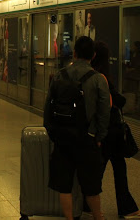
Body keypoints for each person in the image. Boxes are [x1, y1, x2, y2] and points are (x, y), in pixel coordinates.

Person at [43, 36, 111, 220]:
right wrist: (99, 137)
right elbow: (104, 113)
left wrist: (53, 132)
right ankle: (98, 217)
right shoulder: (98, 79)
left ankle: (69, 218)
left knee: (64, 185)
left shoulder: (59, 75)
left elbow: (48, 108)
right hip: (87, 139)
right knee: (91, 186)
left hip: (63, 137)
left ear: (74, 53)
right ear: (93, 55)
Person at [89, 41, 140, 219]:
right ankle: (125, 208)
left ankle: (88, 204)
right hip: (111, 130)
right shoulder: (102, 77)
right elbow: (118, 100)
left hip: (103, 130)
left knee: (104, 169)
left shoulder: (91, 75)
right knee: (116, 169)